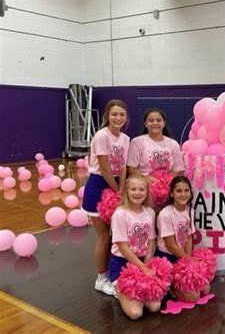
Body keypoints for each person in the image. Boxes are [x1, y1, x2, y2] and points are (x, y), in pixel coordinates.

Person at [82, 99, 129, 296]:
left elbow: (123, 166)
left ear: (126, 118)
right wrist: (118, 190)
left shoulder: (125, 138)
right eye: (114, 114)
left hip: (117, 185)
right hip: (99, 186)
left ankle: (113, 274)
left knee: (115, 235)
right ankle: (100, 280)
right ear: (107, 116)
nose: (118, 118)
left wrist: (123, 188)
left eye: (121, 115)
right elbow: (104, 167)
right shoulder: (102, 136)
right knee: (104, 236)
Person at [108, 174, 159, 320]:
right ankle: (120, 290)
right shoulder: (120, 214)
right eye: (133, 189)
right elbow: (123, 248)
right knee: (136, 313)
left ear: (146, 192)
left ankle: (138, 294)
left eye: (141, 189)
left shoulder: (150, 212)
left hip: (143, 262)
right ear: (127, 192)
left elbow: (151, 241)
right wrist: (143, 267)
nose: (137, 193)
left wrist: (147, 263)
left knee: (154, 307)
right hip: (123, 266)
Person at [155, 176, 209, 302]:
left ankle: (178, 283)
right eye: (179, 191)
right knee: (193, 297)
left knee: (205, 290)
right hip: (167, 257)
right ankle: (171, 286)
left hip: (182, 255)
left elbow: (189, 237)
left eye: (186, 191)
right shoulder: (165, 214)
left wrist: (187, 262)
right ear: (172, 193)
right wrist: (188, 260)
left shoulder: (190, 210)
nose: (183, 194)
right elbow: (171, 246)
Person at [127, 108, 184, 180]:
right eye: (151, 120)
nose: (155, 123)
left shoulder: (173, 144)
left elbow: (177, 169)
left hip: (167, 185)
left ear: (164, 123)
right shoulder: (136, 142)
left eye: (159, 120)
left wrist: (164, 181)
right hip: (143, 185)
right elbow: (132, 169)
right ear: (145, 124)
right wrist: (150, 180)